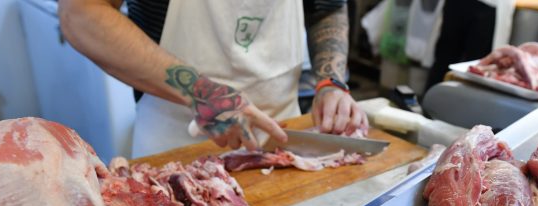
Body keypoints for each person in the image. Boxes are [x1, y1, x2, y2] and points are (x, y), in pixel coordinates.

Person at [59, 0, 369, 157]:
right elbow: (83, 13)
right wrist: (201, 92)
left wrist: (330, 81)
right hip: (178, 148)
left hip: (284, 139)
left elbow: (326, 8)